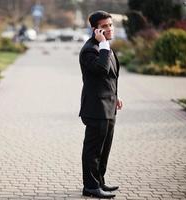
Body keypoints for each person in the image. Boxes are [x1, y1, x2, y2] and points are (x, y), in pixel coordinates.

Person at [79, 10, 123, 198]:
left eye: (110, 25)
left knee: (104, 149)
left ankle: (100, 182)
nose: (109, 29)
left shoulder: (106, 48)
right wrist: (103, 44)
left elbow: (110, 78)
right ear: (95, 29)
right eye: (104, 26)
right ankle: (90, 187)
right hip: (96, 109)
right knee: (93, 150)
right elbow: (102, 70)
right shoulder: (90, 49)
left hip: (109, 106)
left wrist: (116, 96)